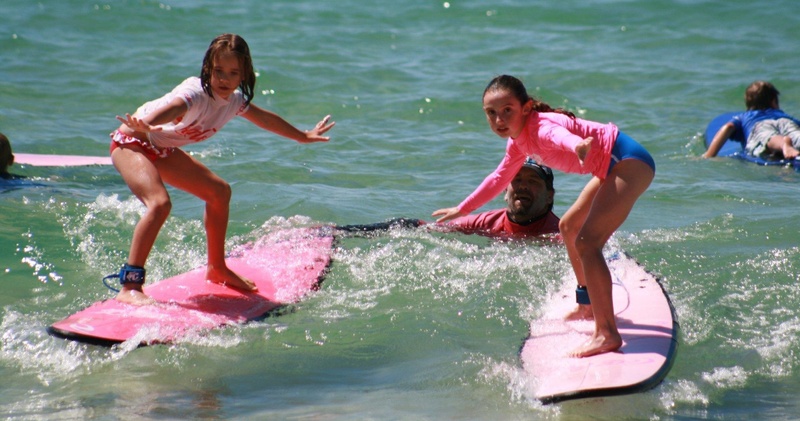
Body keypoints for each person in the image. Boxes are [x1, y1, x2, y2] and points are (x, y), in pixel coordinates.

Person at [432, 75, 655, 358]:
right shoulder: (518, 142)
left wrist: (577, 145)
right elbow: (499, 177)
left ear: (525, 108)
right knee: (569, 227)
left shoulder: (539, 127)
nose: (499, 119)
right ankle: (587, 303)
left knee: (588, 242)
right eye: (491, 113)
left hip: (628, 164)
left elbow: (558, 137)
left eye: (507, 110)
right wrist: (462, 209)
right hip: (610, 169)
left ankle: (607, 334)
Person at [107, 33, 335, 305]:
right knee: (160, 203)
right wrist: (147, 123)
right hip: (132, 142)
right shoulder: (194, 93)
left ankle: (217, 269)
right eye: (218, 71)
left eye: (233, 72)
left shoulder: (235, 101)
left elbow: (264, 118)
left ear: (244, 75)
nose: (224, 79)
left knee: (218, 192)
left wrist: (303, 136)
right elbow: (174, 107)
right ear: (207, 69)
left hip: (161, 149)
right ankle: (131, 287)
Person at [336, 158, 560, 239]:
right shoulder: (486, 223)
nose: (522, 186)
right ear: (503, 190)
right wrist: (346, 232)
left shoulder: (562, 235)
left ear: (550, 196)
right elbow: (425, 228)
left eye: (533, 181)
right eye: (516, 179)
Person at [704, 80, 800, 160]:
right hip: (785, 121)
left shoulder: (745, 116)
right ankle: (789, 144)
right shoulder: (783, 114)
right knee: (796, 134)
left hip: (760, 125)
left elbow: (729, 126)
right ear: (774, 102)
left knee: (768, 137)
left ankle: (784, 145)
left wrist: (709, 154)